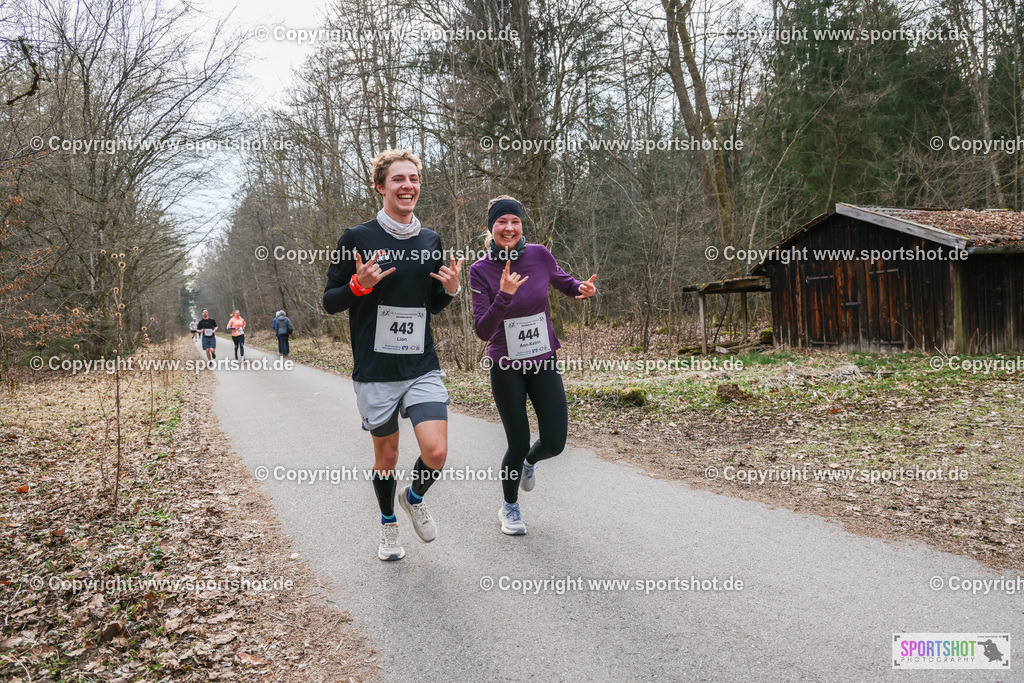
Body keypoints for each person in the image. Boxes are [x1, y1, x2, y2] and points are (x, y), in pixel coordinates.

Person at [323, 149, 462, 561]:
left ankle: (414, 496)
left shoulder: (430, 240)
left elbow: (432, 303)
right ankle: (388, 524)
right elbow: (330, 302)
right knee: (388, 456)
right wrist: (357, 287)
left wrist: (451, 291)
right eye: (398, 179)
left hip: (421, 364)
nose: (408, 186)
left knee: (435, 452)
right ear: (381, 187)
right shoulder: (357, 238)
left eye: (414, 179)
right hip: (376, 369)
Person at [469, 196, 596, 535]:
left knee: (554, 441)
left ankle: (530, 464)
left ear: (521, 225)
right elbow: (482, 329)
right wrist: (504, 295)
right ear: (491, 228)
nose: (508, 228)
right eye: (501, 222)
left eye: (514, 221)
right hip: (506, 365)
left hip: (542, 360)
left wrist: (580, 288)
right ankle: (509, 507)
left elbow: (562, 280)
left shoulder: (539, 254)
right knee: (518, 440)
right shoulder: (480, 270)